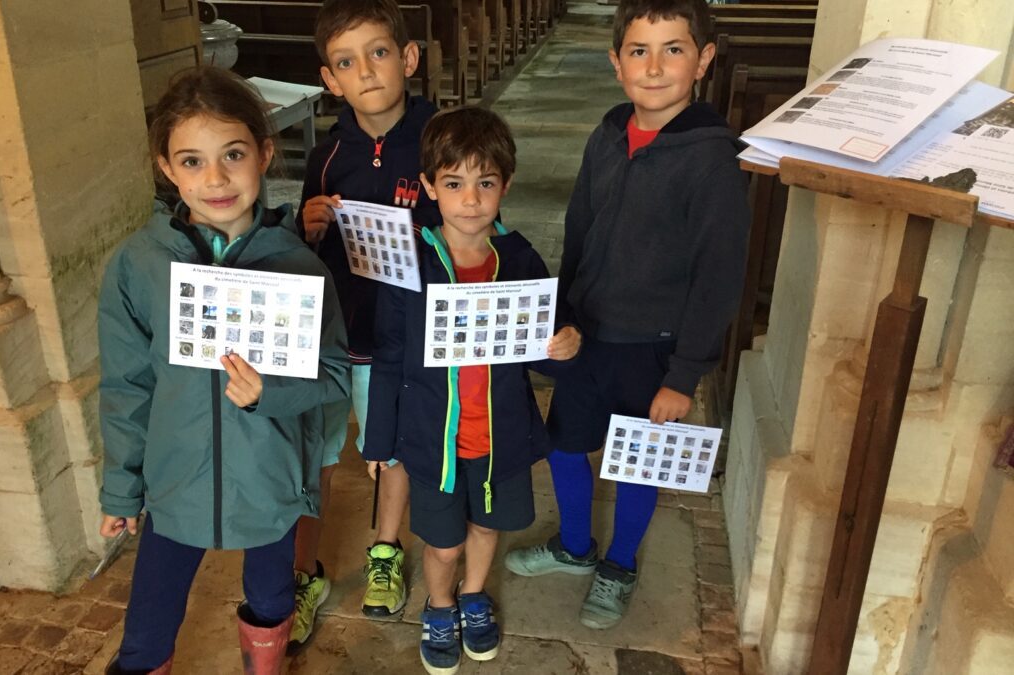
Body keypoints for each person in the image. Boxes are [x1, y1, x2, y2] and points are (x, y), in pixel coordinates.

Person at [504, 0, 750, 630]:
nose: (655, 65)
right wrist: (562, 313)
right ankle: (576, 547)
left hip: (654, 347)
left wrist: (684, 373)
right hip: (590, 335)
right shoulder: (609, 132)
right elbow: (579, 228)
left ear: (704, 59)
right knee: (566, 447)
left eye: (674, 48)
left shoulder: (711, 159)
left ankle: (618, 565)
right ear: (617, 63)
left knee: (636, 459)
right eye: (639, 50)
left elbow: (718, 277)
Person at [98, 66, 350, 674]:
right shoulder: (140, 264)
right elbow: (127, 385)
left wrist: (272, 393)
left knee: (270, 597)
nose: (215, 179)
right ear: (165, 166)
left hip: (268, 481)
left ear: (264, 153)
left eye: (232, 154)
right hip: (175, 480)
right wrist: (122, 487)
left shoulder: (297, 265)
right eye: (191, 161)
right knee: (149, 619)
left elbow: (336, 376)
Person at [363, 107, 581, 675]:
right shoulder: (409, 264)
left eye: (485, 183)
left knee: (486, 527)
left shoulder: (520, 259)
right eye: (454, 183)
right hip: (431, 444)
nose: (470, 199)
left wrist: (564, 345)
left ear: (504, 186)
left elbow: (542, 347)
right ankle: (439, 606)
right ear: (431, 187)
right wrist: (379, 444)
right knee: (443, 543)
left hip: (500, 436)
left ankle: (474, 595)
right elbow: (388, 356)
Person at [290, 0, 443, 643]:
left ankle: (385, 553)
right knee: (318, 452)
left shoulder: (440, 138)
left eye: (379, 53)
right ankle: (303, 572)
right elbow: (303, 246)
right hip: (339, 332)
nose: (367, 72)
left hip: (405, 335)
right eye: (347, 63)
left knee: (395, 448)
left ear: (407, 58)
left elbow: (474, 217)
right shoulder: (327, 158)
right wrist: (308, 224)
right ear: (331, 80)